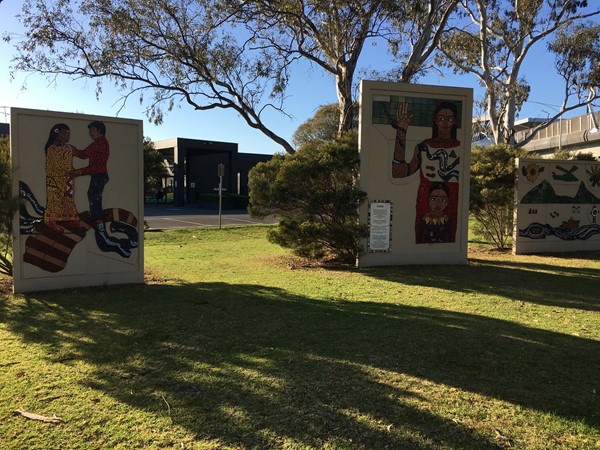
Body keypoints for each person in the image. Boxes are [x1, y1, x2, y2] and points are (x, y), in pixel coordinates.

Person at [390, 100, 462, 243]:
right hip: (425, 198)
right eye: (441, 118)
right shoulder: (424, 147)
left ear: (455, 121)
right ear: (435, 120)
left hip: (452, 199)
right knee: (424, 234)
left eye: (449, 119)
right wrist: (401, 132)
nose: (445, 123)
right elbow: (399, 172)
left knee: (449, 235)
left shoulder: (461, 148)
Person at [72, 121, 109, 229]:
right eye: (89, 131)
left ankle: (97, 218)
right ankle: (96, 216)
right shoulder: (96, 144)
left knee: (94, 194)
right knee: (92, 193)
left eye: (92, 130)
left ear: (99, 131)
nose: (90, 133)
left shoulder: (102, 144)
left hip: (100, 174)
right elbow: (84, 154)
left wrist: (79, 172)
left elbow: (96, 166)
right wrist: (74, 151)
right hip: (97, 174)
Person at [43, 123, 79, 233]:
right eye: (65, 133)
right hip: (55, 179)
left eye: (69, 134)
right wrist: (64, 171)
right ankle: (51, 221)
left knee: (68, 199)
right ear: (57, 134)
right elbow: (50, 166)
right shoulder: (51, 149)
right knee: (54, 201)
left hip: (67, 179)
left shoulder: (68, 148)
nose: (67, 136)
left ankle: (71, 219)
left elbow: (70, 163)